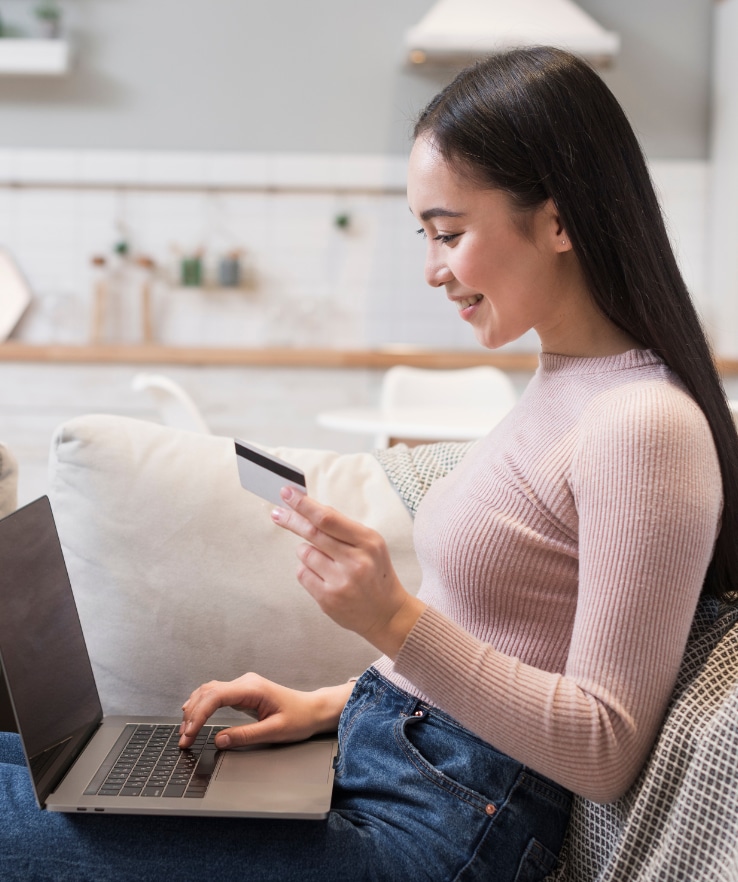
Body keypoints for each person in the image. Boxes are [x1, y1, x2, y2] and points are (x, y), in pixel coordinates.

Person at [1, 46, 736, 882]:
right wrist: (323, 707)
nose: (432, 269)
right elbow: (505, 641)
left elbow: (604, 747)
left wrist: (390, 618)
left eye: (449, 233)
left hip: (435, 837)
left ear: (559, 221)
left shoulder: (645, 425)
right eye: (425, 235)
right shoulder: (563, 383)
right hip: (391, 773)